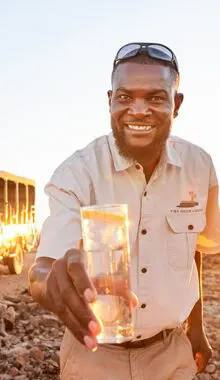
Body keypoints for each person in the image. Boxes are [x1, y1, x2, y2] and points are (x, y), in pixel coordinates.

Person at [28, 42, 218, 380]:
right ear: (110, 101)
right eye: (125, 97)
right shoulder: (78, 173)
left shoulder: (199, 167)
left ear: (176, 104)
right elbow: (42, 269)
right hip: (93, 354)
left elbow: (194, 251)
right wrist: (49, 283)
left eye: (156, 98)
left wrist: (196, 326)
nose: (138, 110)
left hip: (171, 353)